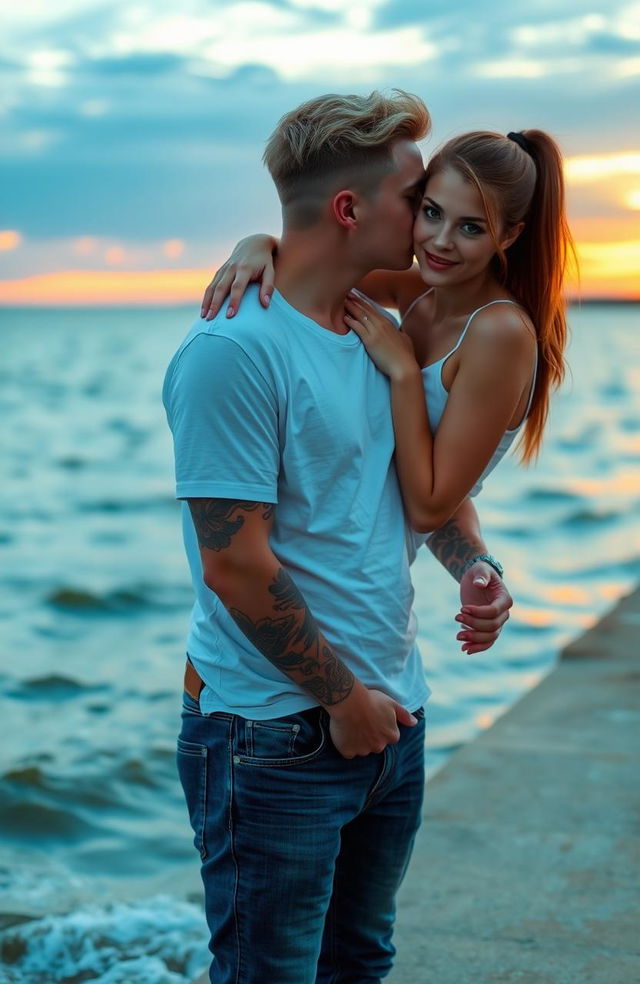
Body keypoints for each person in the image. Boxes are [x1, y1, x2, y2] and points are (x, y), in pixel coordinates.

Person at [163, 91, 513, 984]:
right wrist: (341, 699)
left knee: (360, 964)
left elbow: (403, 497)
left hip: (394, 714)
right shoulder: (234, 353)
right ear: (354, 210)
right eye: (416, 198)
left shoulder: (377, 330)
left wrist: (473, 565)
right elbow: (235, 565)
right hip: (276, 733)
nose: (429, 215)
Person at [202, 130, 573, 577]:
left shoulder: (499, 333)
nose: (440, 241)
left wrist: (403, 372)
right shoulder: (418, 288)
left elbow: (430, 508)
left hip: (375, 577)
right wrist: (257, 243)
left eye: (471, 227)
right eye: (432, 213)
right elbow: (318, 262)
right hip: (350, 562)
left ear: (510, 236)